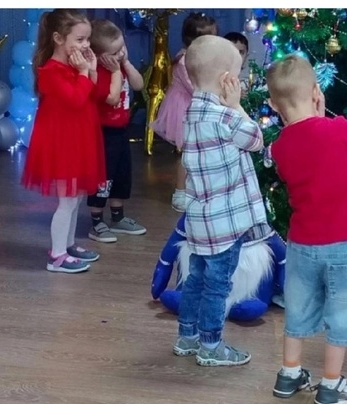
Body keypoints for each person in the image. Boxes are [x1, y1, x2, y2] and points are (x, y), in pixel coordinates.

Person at [266, 55, 347, 404]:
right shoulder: (336, 128)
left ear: (273, 104)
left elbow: (293, 166)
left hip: (302, 244)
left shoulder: (279, 147)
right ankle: (331, 385)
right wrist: (324, 114)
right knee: (343, 312)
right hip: (344, 243)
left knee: (297, 309)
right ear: (316, 92)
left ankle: (289, 374)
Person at [172, 34, 272, 369]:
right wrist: (237, 106)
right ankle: (211, 345)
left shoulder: (192, 113)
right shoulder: (226, 117)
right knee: (218, 286)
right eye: (238, 75)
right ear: (227, 80)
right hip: (226, 226)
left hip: (200, 222)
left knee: (195, 281)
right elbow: (256, 140)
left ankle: (187, 337)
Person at [22, 9, 105, 274]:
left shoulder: (73, 67)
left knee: (76, 198)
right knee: (67, 201)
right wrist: (83, 73)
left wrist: (90, 71)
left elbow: (92, 97)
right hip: (63, 143)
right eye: (80, 40)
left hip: (79, 138)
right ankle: (56, 256)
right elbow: (76, 100)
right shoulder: (50, 71)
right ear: (58, 38)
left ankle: (67, 245)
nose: (86, 45)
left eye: (87, 39)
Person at [84, 20, 146, 242]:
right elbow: (111, 98)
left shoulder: (120, 65)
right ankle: (96, 221)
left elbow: (139, 85)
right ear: (99, 56)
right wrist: (115, 71)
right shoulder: (98, 72)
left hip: (121, 130)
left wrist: (125, 63)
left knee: (121, 174)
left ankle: (118, 217)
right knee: (104, 177)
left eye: (122, 47)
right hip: (103, 133)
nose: (120, 54)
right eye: (114, 52)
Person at [152, 11, 218, 211]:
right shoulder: (184, 60)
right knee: (187, 154)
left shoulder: (207, 57)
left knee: (201, 152)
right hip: (185, 109)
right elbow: (194, 86)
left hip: (199, 106)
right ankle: (180, 192)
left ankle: (198, 189)